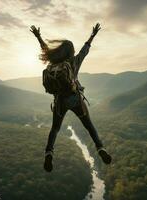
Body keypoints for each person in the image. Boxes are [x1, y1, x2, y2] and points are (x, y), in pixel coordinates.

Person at [30, 23, 112, 172]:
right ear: (71, 51)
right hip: (74, 99)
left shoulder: (54, 61)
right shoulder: (73, 62)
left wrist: (38, 36)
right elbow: (85, 50)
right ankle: (100, 148)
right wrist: (93, 35)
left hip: (59, 102)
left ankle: (49, 153)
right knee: (89, 125)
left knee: (55, 128)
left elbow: (45, 50)